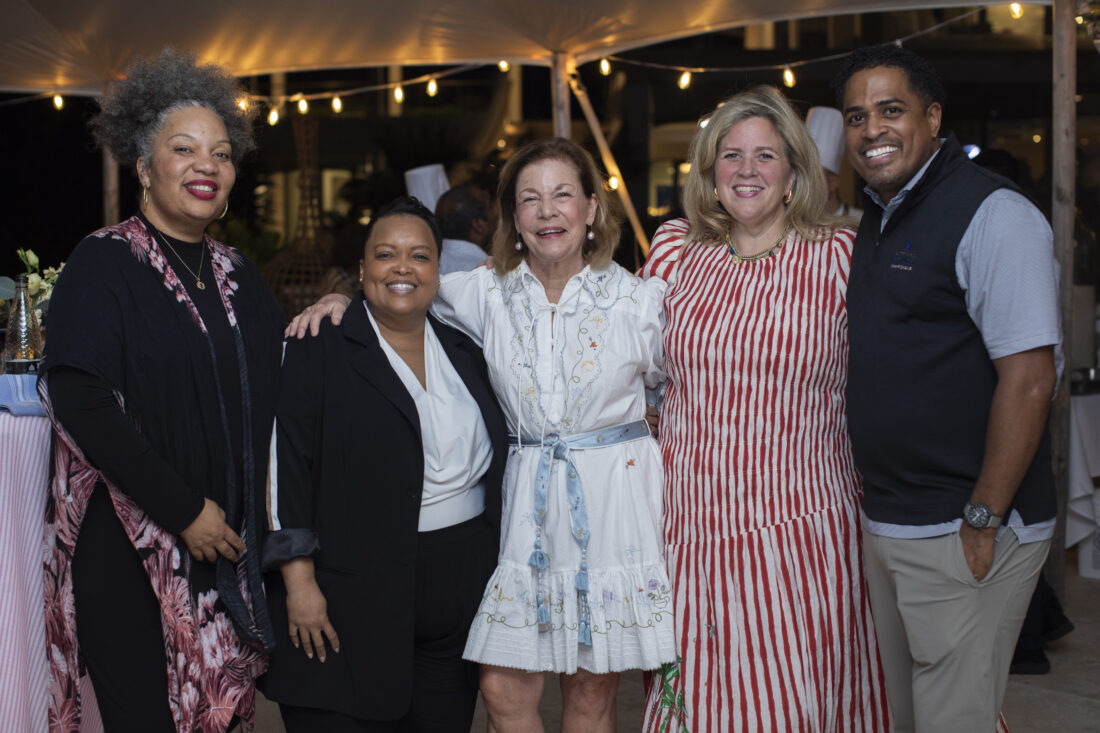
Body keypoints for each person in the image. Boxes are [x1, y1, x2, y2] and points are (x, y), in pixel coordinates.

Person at [287, 138, 678, 732]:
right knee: (500, 686)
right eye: (530, 198)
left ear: (592, 208)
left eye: (563, 195)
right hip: (522, 508)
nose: (548, 211)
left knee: (592, 691)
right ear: (511, 217)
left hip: (613, 505)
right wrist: (341, 296)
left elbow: (683, 388)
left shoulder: (642, 300)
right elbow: (399, 289)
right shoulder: (480, 294)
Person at [38, 48, 285, 731]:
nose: (208, 164)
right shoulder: (104, 263)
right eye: (184, 149)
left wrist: (336, 315)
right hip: (130, 556)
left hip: (224, 555)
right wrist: (183, 508)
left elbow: (283, 380)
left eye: (222, 152)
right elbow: (80, 396)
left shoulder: (240, 275)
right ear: (145, 167)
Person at [637, 85, 888, 732]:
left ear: (795, 173)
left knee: (797, 697)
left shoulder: (841, 255)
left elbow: (904, 365)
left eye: (766, 155)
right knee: (705, 699)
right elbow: (600, 343)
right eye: (731, 155)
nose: (747, 169)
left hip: (803, 526)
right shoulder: (676, 251)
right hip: (692, 526)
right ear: (711, 174)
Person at [833, 44, 1060, 732]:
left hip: (964, 525)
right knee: (910, 716)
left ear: (933, 118)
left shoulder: (994, 214)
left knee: (954, 718)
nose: (871, 129)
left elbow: (1029, 380)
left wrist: (983, 518)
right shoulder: (879, 213)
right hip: (893, 521)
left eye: (890, 110)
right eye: (856, 116)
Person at [261, 197, 508, 731]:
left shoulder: (466, 348)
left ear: (439, 270)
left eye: (419, 256)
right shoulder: (317, 345)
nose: (402, 267)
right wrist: (299, 584)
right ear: (361, 270)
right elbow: (285, 469)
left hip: (457, 597)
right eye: (385, 254)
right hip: (347, 594)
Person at [806, 105, 864, 220]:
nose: (805, 185)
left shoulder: (859, 222)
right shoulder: (796, 225)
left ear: (833, 182)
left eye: (813, 177)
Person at [435, 183, 500, 274]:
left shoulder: (432, 262)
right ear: (478, 225)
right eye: (491, 206)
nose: (499, 211)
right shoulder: (484, 271)